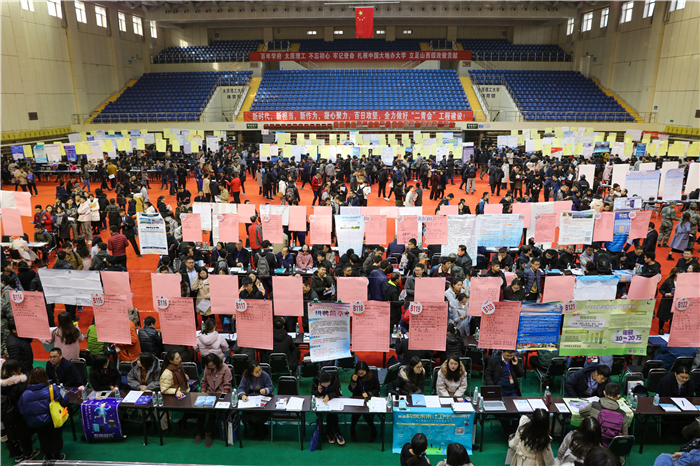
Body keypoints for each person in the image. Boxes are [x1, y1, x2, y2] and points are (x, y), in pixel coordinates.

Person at [18, 367, 70, 460]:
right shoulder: (53, 388)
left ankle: (48, 456)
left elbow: (21, 409)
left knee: (42, 438)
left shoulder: (25, 394)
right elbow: (65, 398)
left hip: (36, 422)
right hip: (52, 419)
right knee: (56, 437)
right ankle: (57, 456)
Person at [1, 359, 40, 462]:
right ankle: (28, 454)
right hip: (19, 414)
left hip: (5, 414)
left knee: (11, 434)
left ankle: (17, 455)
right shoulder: (21, 385)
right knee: (24, 435)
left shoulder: (2, 385)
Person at [198, 353, 233, 447]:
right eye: (209, 366)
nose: (211, 367)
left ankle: (208, 433)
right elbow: (204, 382)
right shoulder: (207, 369)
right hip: (210, 394)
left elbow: (227, 385)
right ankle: (199, 431)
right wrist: (203, 392)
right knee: (200, 409)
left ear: (217, 362)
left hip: (222, 394)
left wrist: (222, 396)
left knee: (212, 411)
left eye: (212, 365)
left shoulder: (225, 369)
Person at [238, 360, 274, 439]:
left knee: (257, 417)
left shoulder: (265, 375)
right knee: (246, 417)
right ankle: (257, 429)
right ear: (251, 372)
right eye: (256, 372)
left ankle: (262, 430)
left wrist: (266, 390)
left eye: (260, 370)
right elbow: (241, 388)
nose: (259, 372)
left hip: (263, 400)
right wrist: (242, 395)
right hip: (250, 401)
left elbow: (271, 387)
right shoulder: (246, 377)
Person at [348, 361, 380, 442]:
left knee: (367, 416)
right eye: (359, 373)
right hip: (358, 398)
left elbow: (377, 388)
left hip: (370, 398)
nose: (361, 375)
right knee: (355, 415)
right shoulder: (355, 376)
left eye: (362, 373)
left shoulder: (372, 376)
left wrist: (369, 394)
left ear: (366, 370)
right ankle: (352, 428)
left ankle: (373, 430)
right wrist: (354, 381)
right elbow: (352, 390)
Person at [160, 350, 191, 430]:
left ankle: (184, 420)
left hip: (185, 390)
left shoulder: (178, 367)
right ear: (171, 361)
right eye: (177, 358)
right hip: (174, 396)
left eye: (179, 357)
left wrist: (184, 376)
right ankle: (183, 421)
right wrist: (176, 391)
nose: (180, 359)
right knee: (193, 407)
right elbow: (164, 390)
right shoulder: (167, 373)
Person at [312, 371, 344, 445]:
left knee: (332, 413)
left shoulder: (334, 379)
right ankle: (329, 431)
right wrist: (319, 391)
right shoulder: (315, 380)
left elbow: (336, 391)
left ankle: (335, 431)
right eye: (324, 384)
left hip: (333, 398)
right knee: (320, 413)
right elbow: (313, 392)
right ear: (320, 381)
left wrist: (328, 395)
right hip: (321, 400)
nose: (326, 386)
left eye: (327, 384)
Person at [656, 268, 677, 334]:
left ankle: (670, 330)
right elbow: (661, 289)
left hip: (676, 302)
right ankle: (661, 329)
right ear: (677, 273)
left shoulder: (683, 282)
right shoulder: (668, 281)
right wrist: (665, 294)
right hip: (666, 301)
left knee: (673, 317)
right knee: (663, 316)